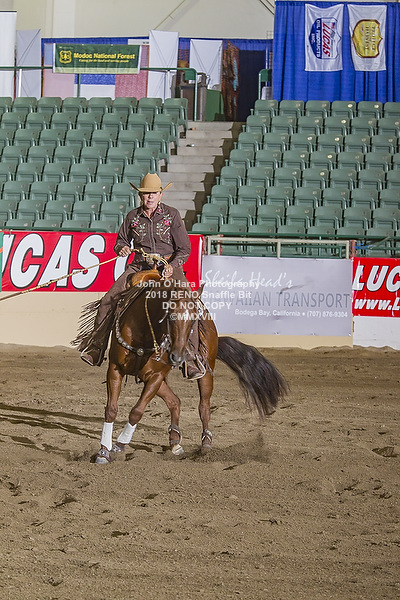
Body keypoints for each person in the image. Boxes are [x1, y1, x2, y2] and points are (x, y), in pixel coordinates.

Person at [78, 172, 204, 378]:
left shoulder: (172, 215)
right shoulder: (132, 217)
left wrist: (173, 266)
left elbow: (184, 249)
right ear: (140, 195)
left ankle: (191, 358)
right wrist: (121, 249)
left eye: (153, 193)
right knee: (108, 300)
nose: (150, 197)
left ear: (161, 194)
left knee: (188, 305)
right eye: (146, 193)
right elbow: (120, 241)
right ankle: (96, 347)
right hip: (139, 266)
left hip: (168, 267)